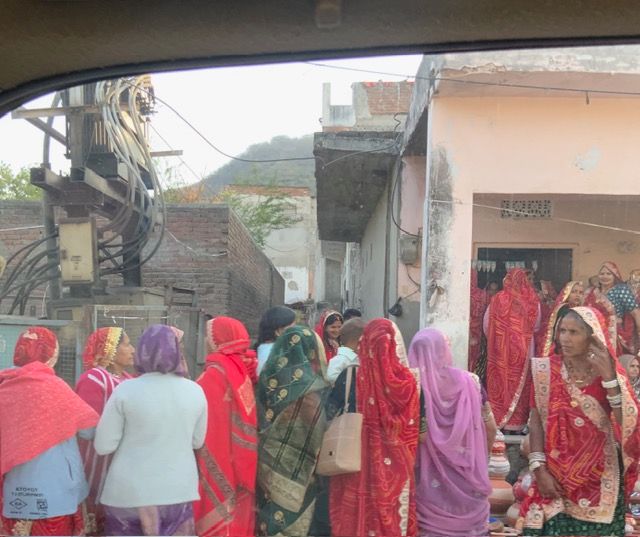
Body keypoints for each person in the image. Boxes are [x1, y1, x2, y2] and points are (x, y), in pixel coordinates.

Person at [520, 307, 640, 536]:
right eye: (562, 331)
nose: (565, 338)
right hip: (554, 477)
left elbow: (628, 423)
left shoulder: (609, 372)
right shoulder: (545, 370)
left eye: (574, 332)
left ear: (592, 337)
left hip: (600, 480)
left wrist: (609, 379)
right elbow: (536, 421)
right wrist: (539, 469)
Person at [94, 324, 207, 536]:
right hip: (178, 491)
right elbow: (197, 441)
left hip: (129, 494)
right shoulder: (195, 391)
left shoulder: (125, 390)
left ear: (143, 351)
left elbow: (103, 445)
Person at [0, 327, 99, 536]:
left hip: (13, 487)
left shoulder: (4, 384)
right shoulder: (54, 388)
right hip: (54, 487)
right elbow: (88, 432)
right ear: (50, 354)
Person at [328, 318, 420, 537]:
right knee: (393, 513)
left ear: (365, 342)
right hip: (397, 466)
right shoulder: (409, 382)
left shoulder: (350, 375)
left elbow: (330, 413)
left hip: (354, 461)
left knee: (356, 517)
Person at [408, 328, 493, 537]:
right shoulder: (471, 382)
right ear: (444, 350)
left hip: (426, 484)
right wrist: (481, 459)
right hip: (467, 474)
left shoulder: (409, 388)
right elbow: (490, 426)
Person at [256, 324, 329, 536]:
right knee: (292, 523)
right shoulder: (309, 389)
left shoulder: (268, 378)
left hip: (267, 462)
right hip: (299, 469)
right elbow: (318, 429)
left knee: (269, 517)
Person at [194, 317, 258, 537]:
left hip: (217, 452)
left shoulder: (216, 373)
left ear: (219, 340)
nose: (205, 340)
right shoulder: (241, 368)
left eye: (209, 335)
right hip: (239, 457)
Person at [75, 327, 135, 535]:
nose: (133, 350)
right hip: (96, 462)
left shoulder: (129, 380)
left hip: (123, 463)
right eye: (127, 344)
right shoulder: (93, 379)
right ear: (110, 349)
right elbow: (87, 428)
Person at [484, 268, 540, 432]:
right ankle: (518, 424)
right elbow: (536, 326)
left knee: (501, 383)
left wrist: (497, 341)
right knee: (521, 386)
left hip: (499, 352)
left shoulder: (497, 299)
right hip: (525, 351)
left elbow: (487, 325)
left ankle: (500, 422)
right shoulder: (532, 300)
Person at [584, 261, 640, 354]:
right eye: (602, 274)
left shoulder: (621, 290)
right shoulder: (592, 292)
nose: (605, 276)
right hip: (593, 330)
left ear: (615, 276)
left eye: (608, 274)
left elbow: (635, 312)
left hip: (614, 331)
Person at [539, 281, 584, 357]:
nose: (577, 295)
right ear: (567, 293)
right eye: (574, 292)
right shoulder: (563, 309)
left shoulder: (581, 310)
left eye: (580, 293)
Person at [255, 306, 297, 375]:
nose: (296, 332)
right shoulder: (275, 353)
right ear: (278, 331)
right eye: (292, 329)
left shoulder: (265, 348)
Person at [326, 317, 365, 384]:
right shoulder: (340, 359)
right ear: (359, 340)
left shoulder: (358, 357)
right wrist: (349, 380)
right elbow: (331, 377)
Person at [468, 270, 488, 373]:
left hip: (467, 329)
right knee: (476, 355)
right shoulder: (482, 294)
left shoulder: (462, 293)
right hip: (479, 330)